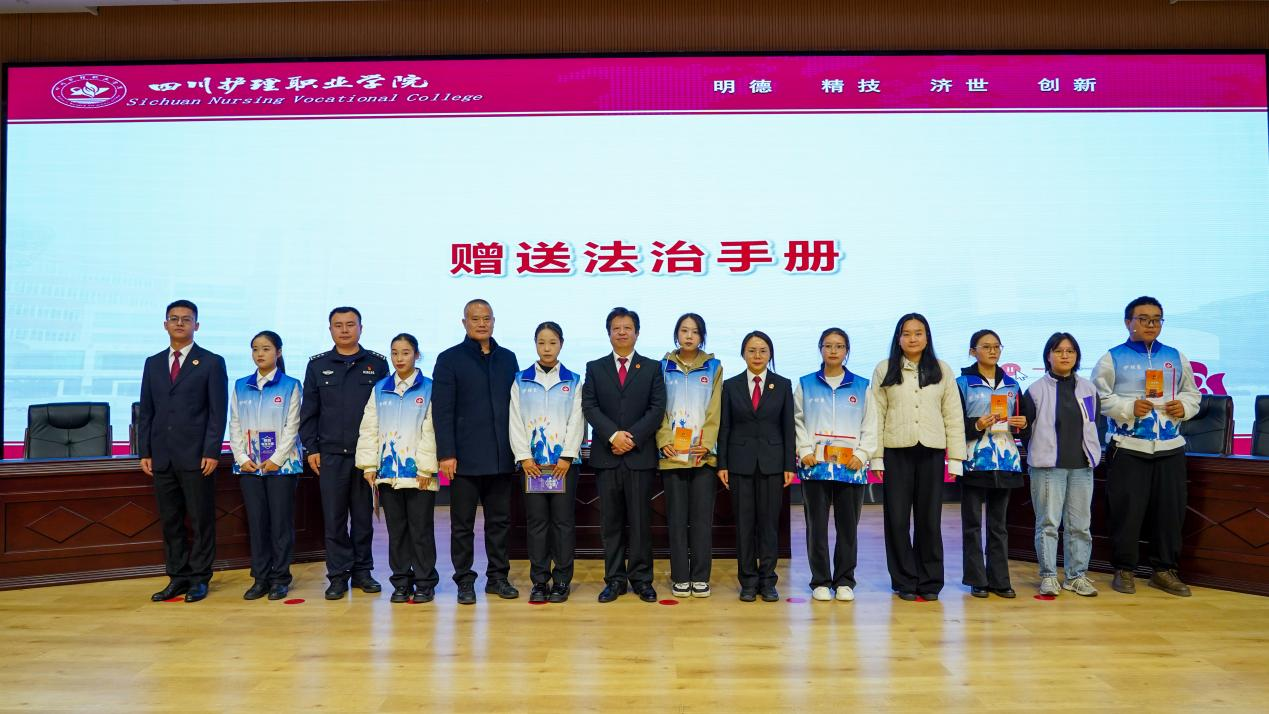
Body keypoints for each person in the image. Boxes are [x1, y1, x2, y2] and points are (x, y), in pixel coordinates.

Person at [1092, 296, 1201, 597]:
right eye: (1143, 319)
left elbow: (1192, 393)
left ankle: (1164, 571)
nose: (1151, 324)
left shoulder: (1175, 356)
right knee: (1127, 511)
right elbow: (1098, 398)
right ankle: (1124, 569)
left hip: (1170, 447)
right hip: (1128, 446)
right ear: (1128, 322)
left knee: (1170, 512)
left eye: (1156, 319)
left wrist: (1185, 406)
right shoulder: (1112, 358)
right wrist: (1128, 407)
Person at [867, 313, 966, 602]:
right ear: (898, 338)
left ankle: (930, 581)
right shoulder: (884, 369)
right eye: (907, 333)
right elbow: (876, 415)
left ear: (927, 337)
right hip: (896, 452)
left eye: (918, 333)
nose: (913, 338)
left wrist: (956, 458)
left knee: (929, 520)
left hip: (931, 452)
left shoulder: (942, 370)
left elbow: (953, 415)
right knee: (897, 520)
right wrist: (876, 458)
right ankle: (904, 580)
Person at [137, 299, 228, 603]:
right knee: (171, 521)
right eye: (174, 318)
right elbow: (147, 410)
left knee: (201, 520)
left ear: (196, 326)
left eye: (186, 319)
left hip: (197, 457)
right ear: (165, 324)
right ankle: (177, 577)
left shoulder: (211, 362)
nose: (179, 323)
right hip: (162, 457)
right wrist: (145, 450)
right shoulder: (153, 363)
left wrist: (212, 451)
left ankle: (200, 578)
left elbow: (217, 412)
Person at [433, 298, 520, 604]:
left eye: (487, 318)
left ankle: (498, 578)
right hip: (463, 459)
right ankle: (464, 581)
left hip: (501, 456)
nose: (482, 324)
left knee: (499, 522)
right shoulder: (449, 359)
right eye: (475, 319)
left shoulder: (508, 358)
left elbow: (517, 407)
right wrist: (446, 453)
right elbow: (442, 411)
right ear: (464, 323)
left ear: (493, 321)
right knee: (462, 525)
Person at [300, 306, 389, 600]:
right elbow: (309, 412)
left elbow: (386, 410)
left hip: (365, 456)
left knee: (363, 518)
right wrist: (311, 448)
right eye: (338, 325)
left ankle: (363, 572)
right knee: (335, 518)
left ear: (361, 328)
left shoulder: (377, 364)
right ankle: (338, 576)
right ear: (330, 330)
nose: (345, 330)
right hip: (330, 456)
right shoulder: (317, 365)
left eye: (351, 324)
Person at [582, 307, 667, 604]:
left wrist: (630, 438)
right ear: (609, 333)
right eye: (616, 328)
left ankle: (642, 580)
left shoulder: (652, 367)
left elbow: (657, 408)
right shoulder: (595, 367)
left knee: (641, 522)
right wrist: (613, 436)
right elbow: (590, 406)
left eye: (627, 327)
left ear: (637, 333)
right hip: (607, 457)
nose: (621, 332)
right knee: (611, 523)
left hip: (639, 456)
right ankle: (615, 580)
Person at [355, 334, 440, 604]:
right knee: (397, 531)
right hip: (387, 474)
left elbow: (432, 429)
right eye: (395, 353)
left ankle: (425, 582)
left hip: (419, 475)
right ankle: (401, 582)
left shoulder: (429, 388)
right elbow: (369, 427)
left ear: (417, 355)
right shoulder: (380, 388)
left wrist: (425, 468)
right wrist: (369, 464)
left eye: (405, 352)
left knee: (421, 530)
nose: (399, 358)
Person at [794, 327, 875, 603]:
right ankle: (820, 580)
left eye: (839, 346)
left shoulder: (861, 386)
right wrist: (804, 449)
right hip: (815, 466)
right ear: (820, 349)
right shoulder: (806, 384)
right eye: (828, 345)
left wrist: (862, 454)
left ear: (846, 351)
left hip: (851, 468)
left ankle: (844, 580)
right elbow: (796, 420)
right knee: (816, 526)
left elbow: (870, 424)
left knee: (848, 527)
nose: (833, 351)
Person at [508, 321, 585, 604]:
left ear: (561, 344)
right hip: (533, 467)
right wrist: (524, 457)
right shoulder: (521, 380)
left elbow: (577, 420)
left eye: (552, 342)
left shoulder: (573, 380)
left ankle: (562, 580)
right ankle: (539, 581)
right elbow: (515, 420)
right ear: (535, 345)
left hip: (564, 467)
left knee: (563, 523)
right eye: (541, 342)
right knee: (537, 523)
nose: (547, 348)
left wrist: (567, 456)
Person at [1021, 332, 1102, 597]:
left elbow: (1094, 424)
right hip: (1047, 468)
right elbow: (1025, 431)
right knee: (1048, 525)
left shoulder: (1089, 389)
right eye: (1058, 351)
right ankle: (1048, 576)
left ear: (1077, 356)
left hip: (1081, 466)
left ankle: (1076, 576)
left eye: (1070, 351)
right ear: (1048, 356)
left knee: (1080, 526)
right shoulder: (1035, 390)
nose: (1065, 356)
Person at [717, 331, 795, 603]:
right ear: (743, 354)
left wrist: (789, 464)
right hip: (740, 464)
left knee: (769, 525)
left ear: (770, 354)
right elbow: (725, 427)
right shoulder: (731, 386)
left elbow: (788, 427)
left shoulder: (782, 384)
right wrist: (723, 463)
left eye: (763, 350)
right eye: (752, 350)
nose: (757, 355)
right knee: (745, 526)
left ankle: (768, 581)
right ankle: (748, 582)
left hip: (773, 464)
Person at [228, 330, 303, 601]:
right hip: (249, 467)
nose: (260, 354)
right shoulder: (241, 386)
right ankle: (260, 578)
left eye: (266, 348)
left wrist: (276, 459)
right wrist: (241, 458)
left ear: (278, 352)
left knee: (280, 524)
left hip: (282, 467)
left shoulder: (291, 385)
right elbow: (234, 424)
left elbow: (293, 426)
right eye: (256, 349)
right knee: (257, 524)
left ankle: (280, 578)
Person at [954, 329, 1026, 599]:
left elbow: (1023, 420)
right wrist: (976, 424)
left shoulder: (1012, 385)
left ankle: (1000, 579)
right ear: (973, 351)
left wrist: (1023, 423)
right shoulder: (962, 383)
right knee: (972, 524)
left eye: (997, 346)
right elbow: (953, 423)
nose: (993, 351)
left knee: (999, 525)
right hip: (974, 460)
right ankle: (977, 579)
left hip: (1006, 460)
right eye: (986, 347)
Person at [656, 313, 723, 599]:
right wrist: (664, 440)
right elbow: (658, 406)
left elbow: (715, 409)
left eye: (695, 332)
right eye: (684, 331)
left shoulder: (714, 367)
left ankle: (700, 577)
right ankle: (680, 577)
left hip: (702, 456)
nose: (689, 336)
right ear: (677, 335)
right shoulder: (663, 367)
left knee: (701, 521)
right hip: (672, 455)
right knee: (676, 520)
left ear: (702, 337)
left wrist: (706, 443)